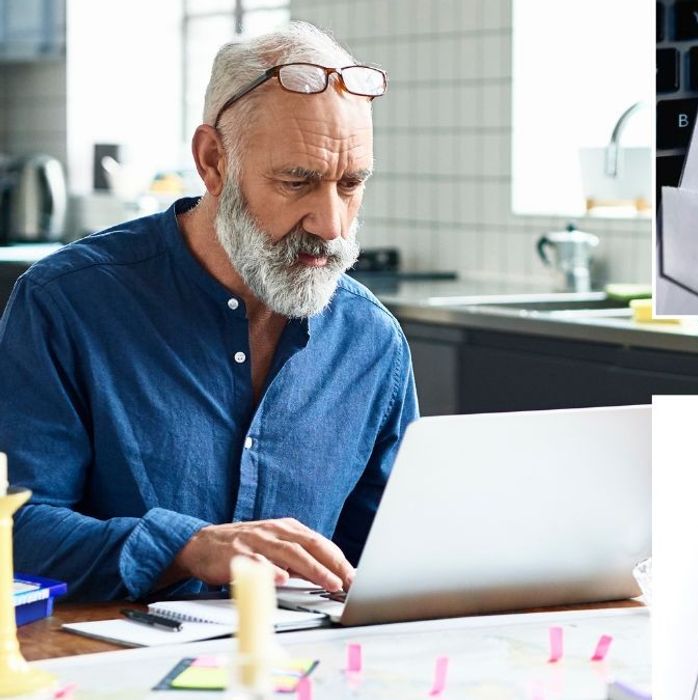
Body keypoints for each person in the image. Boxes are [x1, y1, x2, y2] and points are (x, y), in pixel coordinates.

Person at [0, 21, 417, 601]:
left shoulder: (371, 340)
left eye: (351, 183)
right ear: (213, 160)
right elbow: (14, 528)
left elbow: (394, 550)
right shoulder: (65, 304)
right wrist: (185, 548)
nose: (333, 225)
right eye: (297, 181)